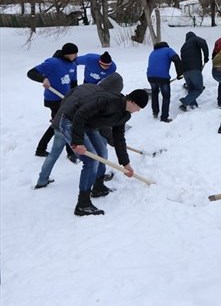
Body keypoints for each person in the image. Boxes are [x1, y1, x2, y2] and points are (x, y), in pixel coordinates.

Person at [59, 81, 149, 216]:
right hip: (71, 122)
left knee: (102, 153)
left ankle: (98, 187)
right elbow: (80, 114)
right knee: (91, 161)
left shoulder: (124, 114)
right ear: (133, 102)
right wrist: (78, 141)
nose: (138, 111)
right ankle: (82, 204)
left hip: (89, 125)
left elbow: (119, 139)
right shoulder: (106, 100)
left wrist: (126, 163)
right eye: (139, 108)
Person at [35, 73, 123, 192]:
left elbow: (66, 98)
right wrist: (111, 139)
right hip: (71, 125)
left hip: (60, 121)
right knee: (93, 156)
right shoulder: (100, 98)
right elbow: (101, 124)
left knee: (54, 153)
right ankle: (97, 179)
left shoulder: (86, 86)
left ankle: (42, 180)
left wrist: (60, 115)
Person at [27, 42, 79, 162]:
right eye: (74, 53)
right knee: (65, 124)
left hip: (65, 99)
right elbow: (31, 73)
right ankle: (71, 152)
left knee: (58, 124)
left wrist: (75, 95)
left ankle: (41, 149)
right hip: (53, 100)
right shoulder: (52, 63)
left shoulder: (73, 65)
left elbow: (73, 83)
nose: (76, 56)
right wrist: (43, 78)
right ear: (67, 54)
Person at [146, 42, 183, 123]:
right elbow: (176, 59)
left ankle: (155, 112)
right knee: (166, 96)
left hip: (150, 77)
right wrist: (180, 74)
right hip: (163, 77)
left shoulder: (153, 52)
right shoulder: (168, 50)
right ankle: (164, 117)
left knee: (154, 93)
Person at [179, 31, 209, 111]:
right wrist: (206, 57)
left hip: (185, 71)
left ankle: (193, 105)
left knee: (191, 89)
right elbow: (203, 42)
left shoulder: (183, 47)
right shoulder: (195, 39)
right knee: (199, 89)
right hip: (194, 69)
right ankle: (185, 102)